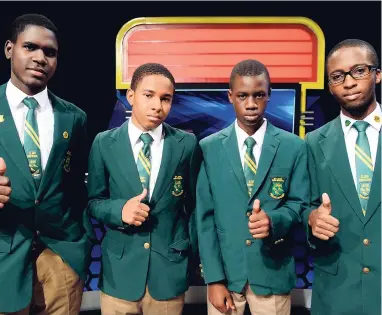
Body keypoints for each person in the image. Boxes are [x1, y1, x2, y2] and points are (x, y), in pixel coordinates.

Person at [196, 59, 309, 315]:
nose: (250, 103)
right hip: (226, 275)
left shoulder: (294, 147)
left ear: (269, 95)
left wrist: (274, 221)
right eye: (242, 95)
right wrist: (213, 279)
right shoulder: (209, 148)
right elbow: (204, 218)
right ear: (230, 97)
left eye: (258, 95)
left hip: (272, 273)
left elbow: (299, 204)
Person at [87, 63, 201, 315]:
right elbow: (94, 201)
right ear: (130, 96)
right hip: (120, 274)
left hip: (169, 274)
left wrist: (189, 256)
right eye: (148, 95)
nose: (157, 106)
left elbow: (194, 206)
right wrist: (120, 211)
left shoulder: (187, 144)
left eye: (166, 99)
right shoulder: (104, 143)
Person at [0, 13, 93, 315]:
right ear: (9, 49)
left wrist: (81, 246)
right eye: (30, 47)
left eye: (49, 52)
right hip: (5, 254)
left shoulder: (74, 118)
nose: (40, 58)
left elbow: (79, 188)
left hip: (61, 255)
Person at [303, 39, 381, 315]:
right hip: (336, 294)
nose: (348, 82)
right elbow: (300, 207)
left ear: (377, 74)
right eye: (337, 76)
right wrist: (311, 218)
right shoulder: (312, 143)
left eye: (358, 71)